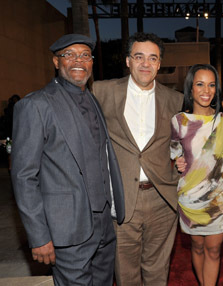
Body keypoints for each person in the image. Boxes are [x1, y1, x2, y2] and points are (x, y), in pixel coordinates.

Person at [11, 34, 125, 285]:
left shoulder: (93, 100)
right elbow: (24, 177)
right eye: (69, 55)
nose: (78, 61)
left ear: (92, 62)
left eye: (85, 55)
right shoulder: (36, 105)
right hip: (68, 229)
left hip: (104, 224)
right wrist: (39, 236)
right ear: (55, 61)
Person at [92, 32, 183, 286]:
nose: (145, 63)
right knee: (125, 273)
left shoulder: (174, 99)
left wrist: (180, 166)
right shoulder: (103, 91)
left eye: (152, 58)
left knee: (157, 271)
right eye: (139, 57)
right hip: (122, 199)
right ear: (128, 61)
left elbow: (178, 144)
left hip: (161, 200)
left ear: (159, 64)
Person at [170, 64, 223, 286]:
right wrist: (177, 162)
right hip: (190, 199)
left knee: (214, 250)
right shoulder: (179, 121)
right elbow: (175, 153)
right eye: (200, 84)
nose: (206, 90)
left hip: (217, 198)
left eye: (212, 84)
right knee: (196, 246)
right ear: (191, 89)